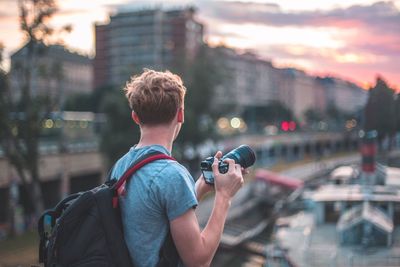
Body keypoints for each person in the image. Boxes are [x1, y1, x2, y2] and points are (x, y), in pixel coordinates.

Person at [110, 69, 245, 267]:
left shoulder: (121, 166)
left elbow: (153, 220)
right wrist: (224, 196)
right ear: (180, 114)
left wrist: (198, 188)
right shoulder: (172, 175)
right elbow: (198, 261)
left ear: (135, 117)